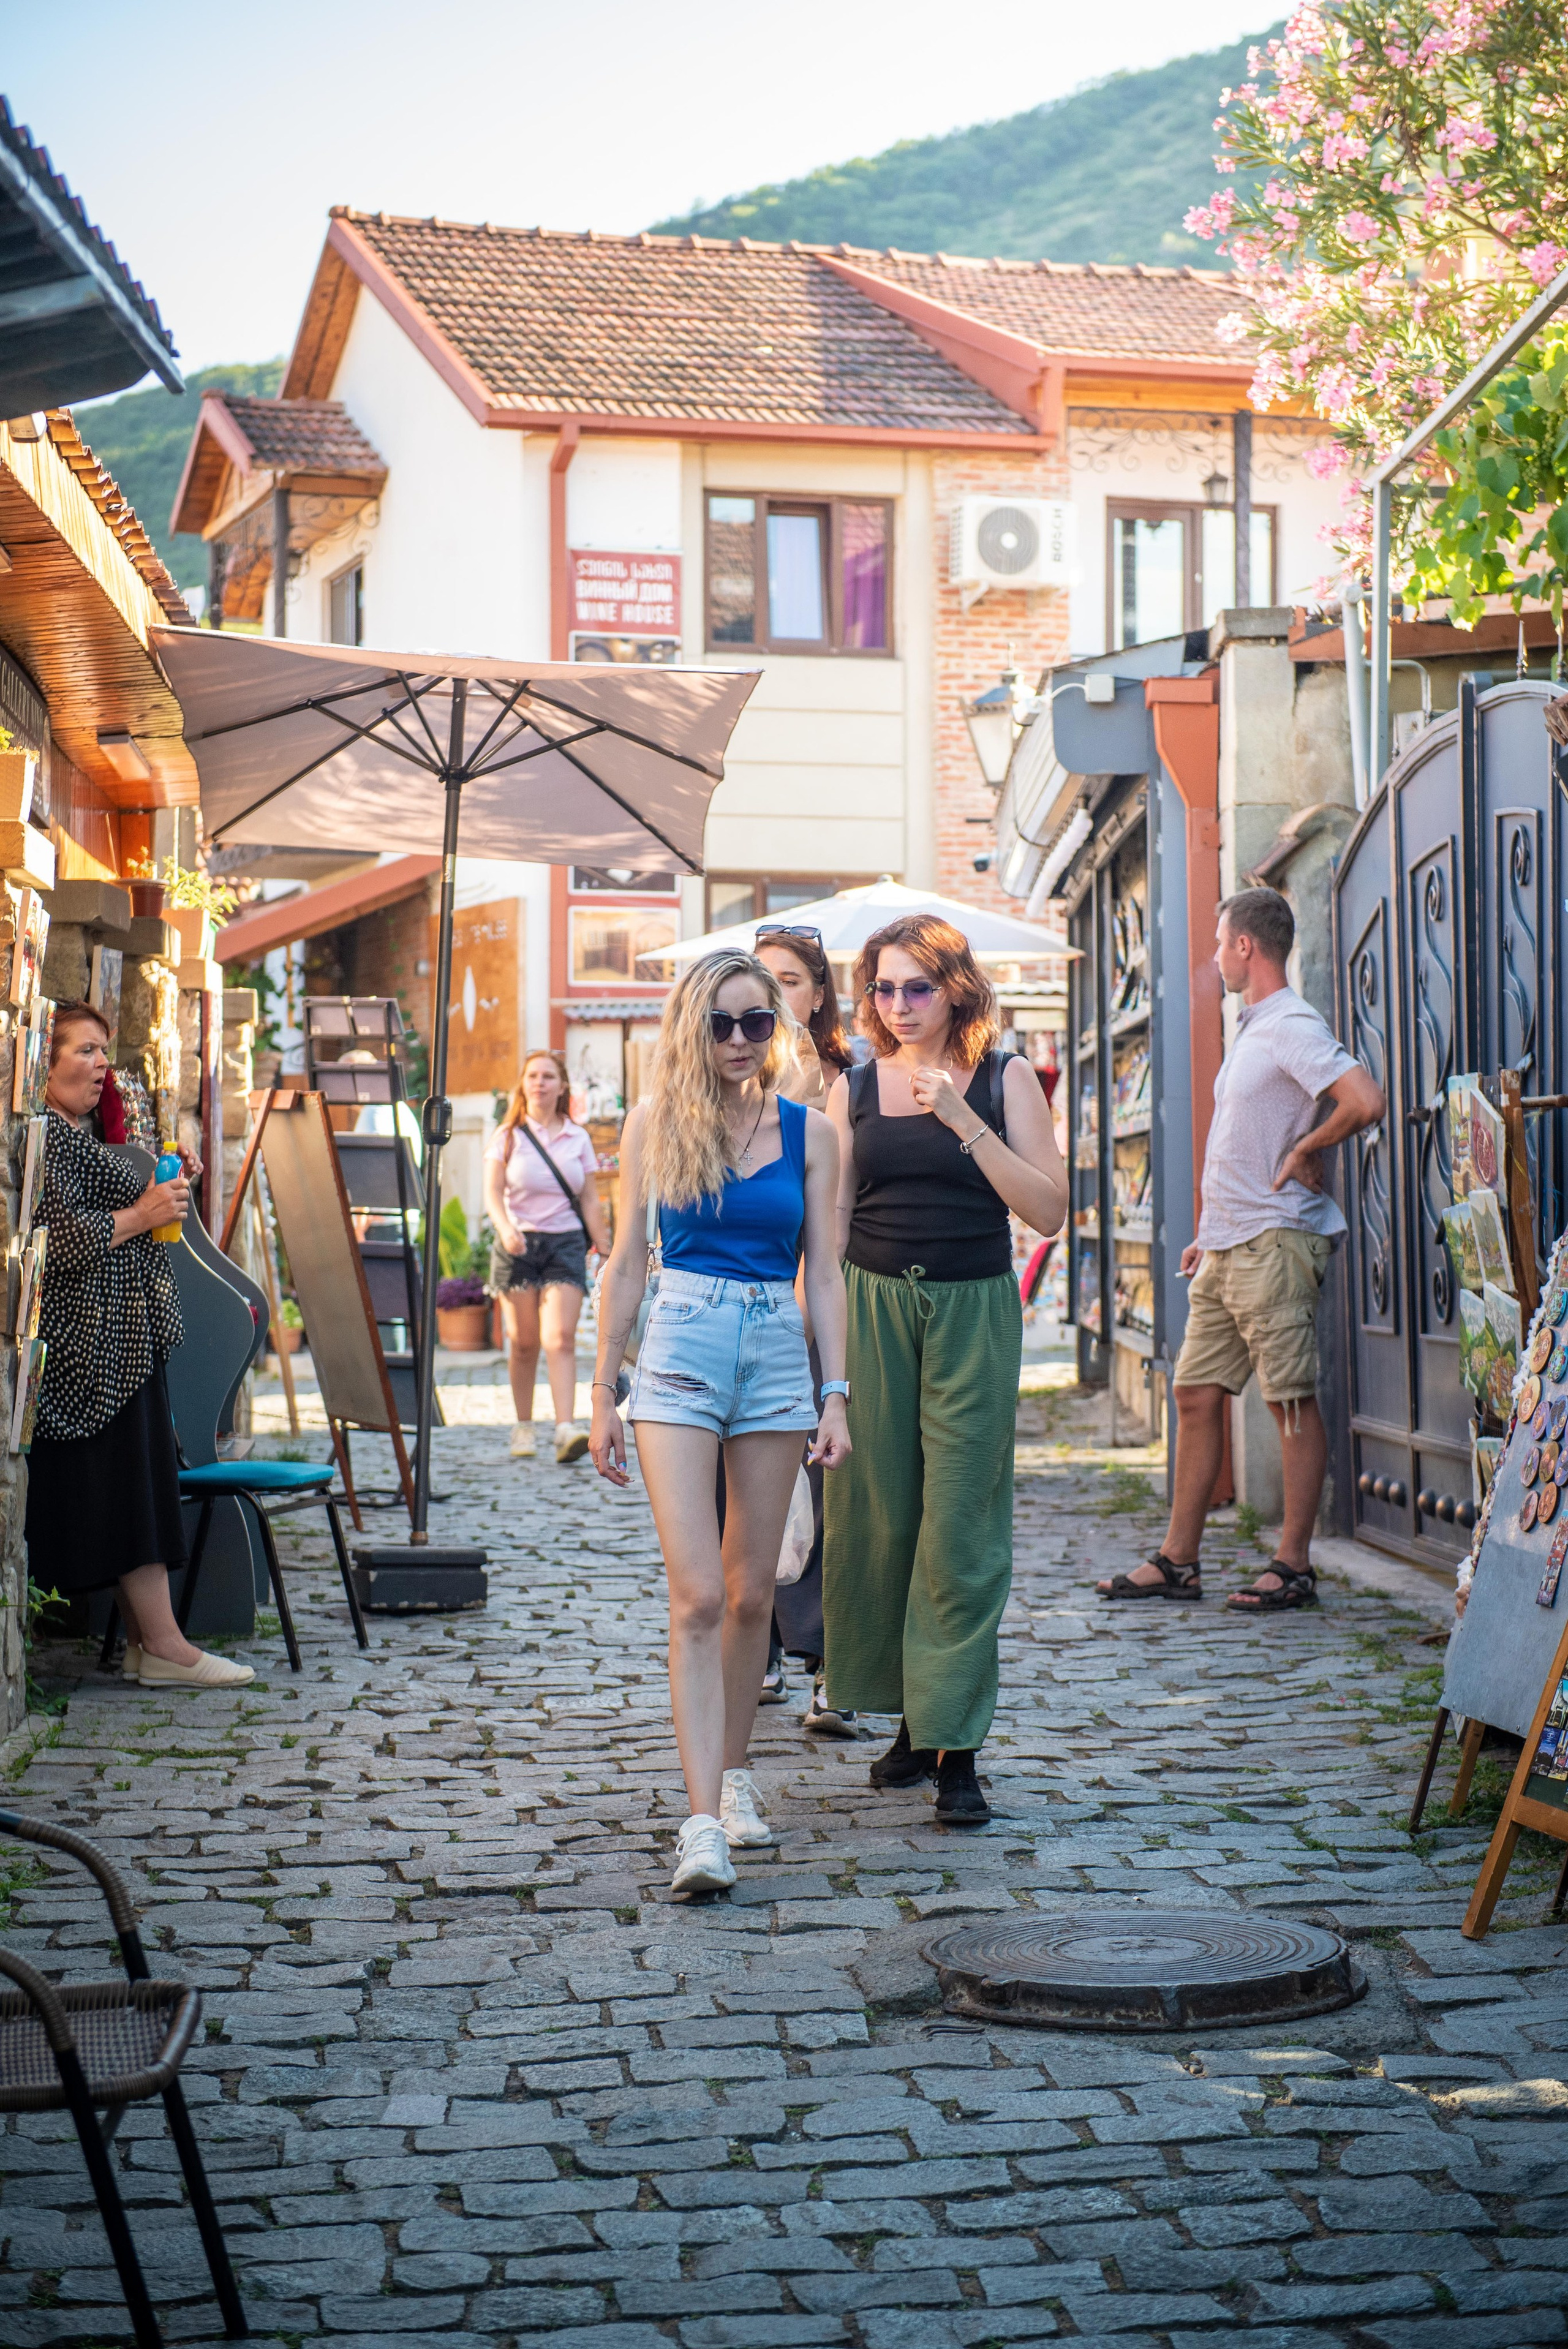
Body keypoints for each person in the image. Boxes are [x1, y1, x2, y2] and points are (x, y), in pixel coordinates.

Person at [589, 950, 850, 1895]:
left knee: (751, 1595)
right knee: (697, 1593)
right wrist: (603, 1387)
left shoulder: (813, 1132)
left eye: (757, 1022)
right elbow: (627, 1260)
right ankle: (702, 1825)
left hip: (776, 1345)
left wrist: (836, 1390)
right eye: (722, 1023)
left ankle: (734, 1773)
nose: (741, 1040)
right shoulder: (654, 1122)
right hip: (682, 1343)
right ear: (691, 1027)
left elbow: (825, 1271)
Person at [822, 914, 1068, 1825]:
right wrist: (820, 1345)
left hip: (972, 1307)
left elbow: (1048, 1209)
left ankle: (957, 1747)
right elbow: (834, 1214)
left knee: (960, 1519)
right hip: (872, 1306)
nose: (898, 1005)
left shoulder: (1004, 1077)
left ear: (956, 988)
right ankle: (912, 1720)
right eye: (883, 988)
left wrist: (963, 1121)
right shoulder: (852, 1086)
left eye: (916, 987)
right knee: (880, 1515)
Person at [1096, 886, 1385, 1613]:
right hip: (1228, 1244)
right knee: (1194, 1394)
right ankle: (1178, 1560)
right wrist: (1210, 1229)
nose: (1215, 956)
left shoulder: (1290, 1023)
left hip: (1275, 1240)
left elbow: (1364, 1099)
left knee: (1289, 1402)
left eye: (1221, 942)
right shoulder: (1253, 1029)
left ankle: (1293, 1566)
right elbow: (1247, 1138)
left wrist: (1307, 1149)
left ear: (1245, 946)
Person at [24, 1003, 254, 1690]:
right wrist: (144, 1212)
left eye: (104, 1050)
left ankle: (147, 1644)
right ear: (45, 1064)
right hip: (89, 1352)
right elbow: (57, 1241)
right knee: (131, 1492)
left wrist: (167, 1182)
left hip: (121, 1339)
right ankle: (164, 1645)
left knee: (138, 1487)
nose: (102, 1063)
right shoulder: (43, 1136)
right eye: (85, 1050)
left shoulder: (84, 1131)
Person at [752, 924, 855, 1731]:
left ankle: (827, 1661)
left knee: (824, 1483)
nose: (776, 992)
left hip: (820, 1298)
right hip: (741, 1302)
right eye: (763, 978)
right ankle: (754, 1647)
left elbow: (839, 1215)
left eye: (791, 979)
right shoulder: (723, 1076)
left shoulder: (842, 1082)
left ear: (818, 993)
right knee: (746, 1481)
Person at [484, 1049, 611, 1464]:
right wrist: (506, 1229)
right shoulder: (507, 1135)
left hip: (565, 1243)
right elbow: (492, 1193)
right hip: (518, 1245)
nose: (540, 1083)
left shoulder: (578, 1137)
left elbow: (589, 1198)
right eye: (533, 1076)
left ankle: (565, 1428)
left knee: (559, 1337)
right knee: (523, 1342)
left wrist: (605, 1247)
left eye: (548, 1076)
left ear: (562, 1087)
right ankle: (523, 1425)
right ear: (523, 1085)